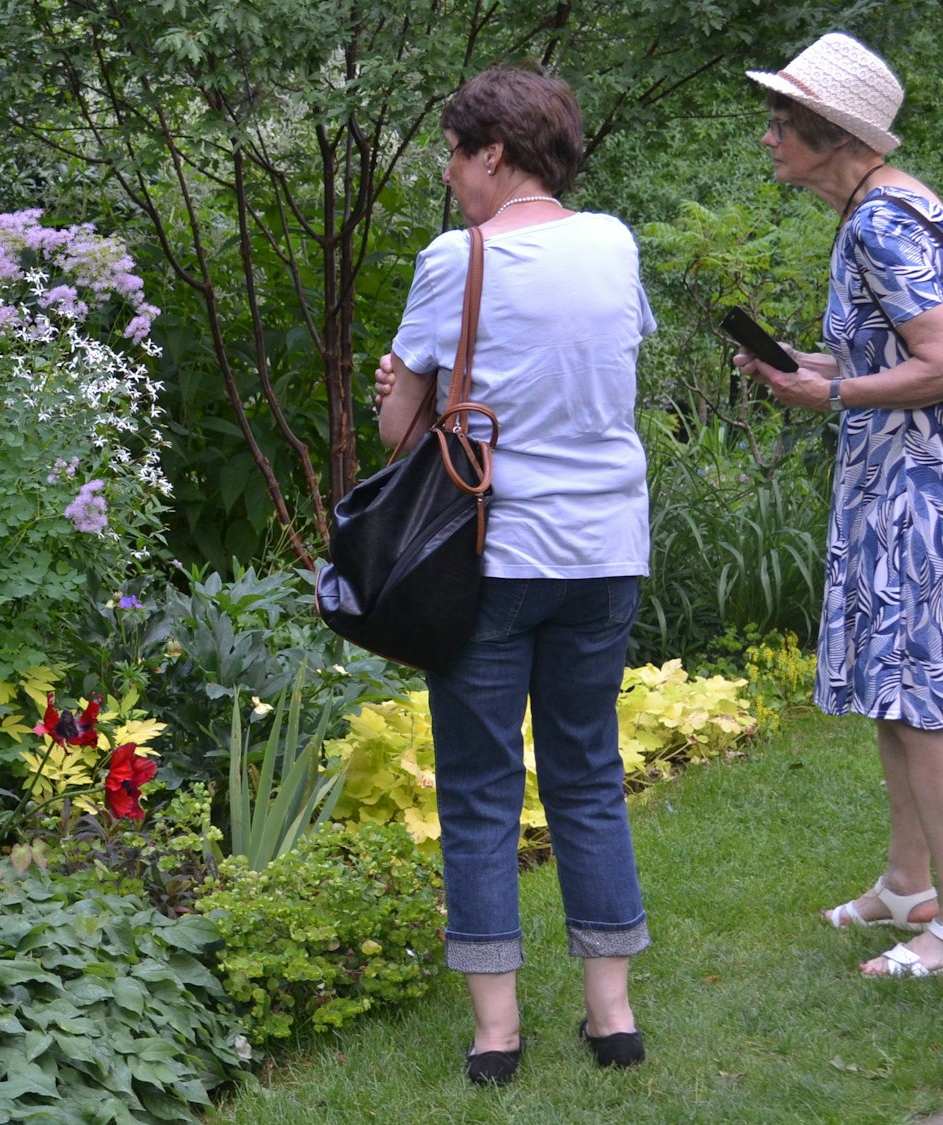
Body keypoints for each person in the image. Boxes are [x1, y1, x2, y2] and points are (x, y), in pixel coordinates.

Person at [734, 32, 943, 977]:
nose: (770, 136)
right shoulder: (894, 203)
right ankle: (911, 884)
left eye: (783, 121)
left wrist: (829, 395)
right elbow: (904, 354)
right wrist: (815, 365)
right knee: (897, 696)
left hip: (919, 494)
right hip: (904, 481)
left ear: (830, 133)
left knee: (927, 703)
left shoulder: (880, 222)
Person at [371, 66, 655, 1084]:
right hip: (604, 553)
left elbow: (403, 430)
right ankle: (610, 1017)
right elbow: (596, 371)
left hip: (489, 560)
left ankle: (496, 1036)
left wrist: (392, 391)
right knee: (586, 776)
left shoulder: (457, 260)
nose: (449, 174)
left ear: (492, 151)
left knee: (481, 789)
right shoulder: (614, 243)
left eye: (453, 152)